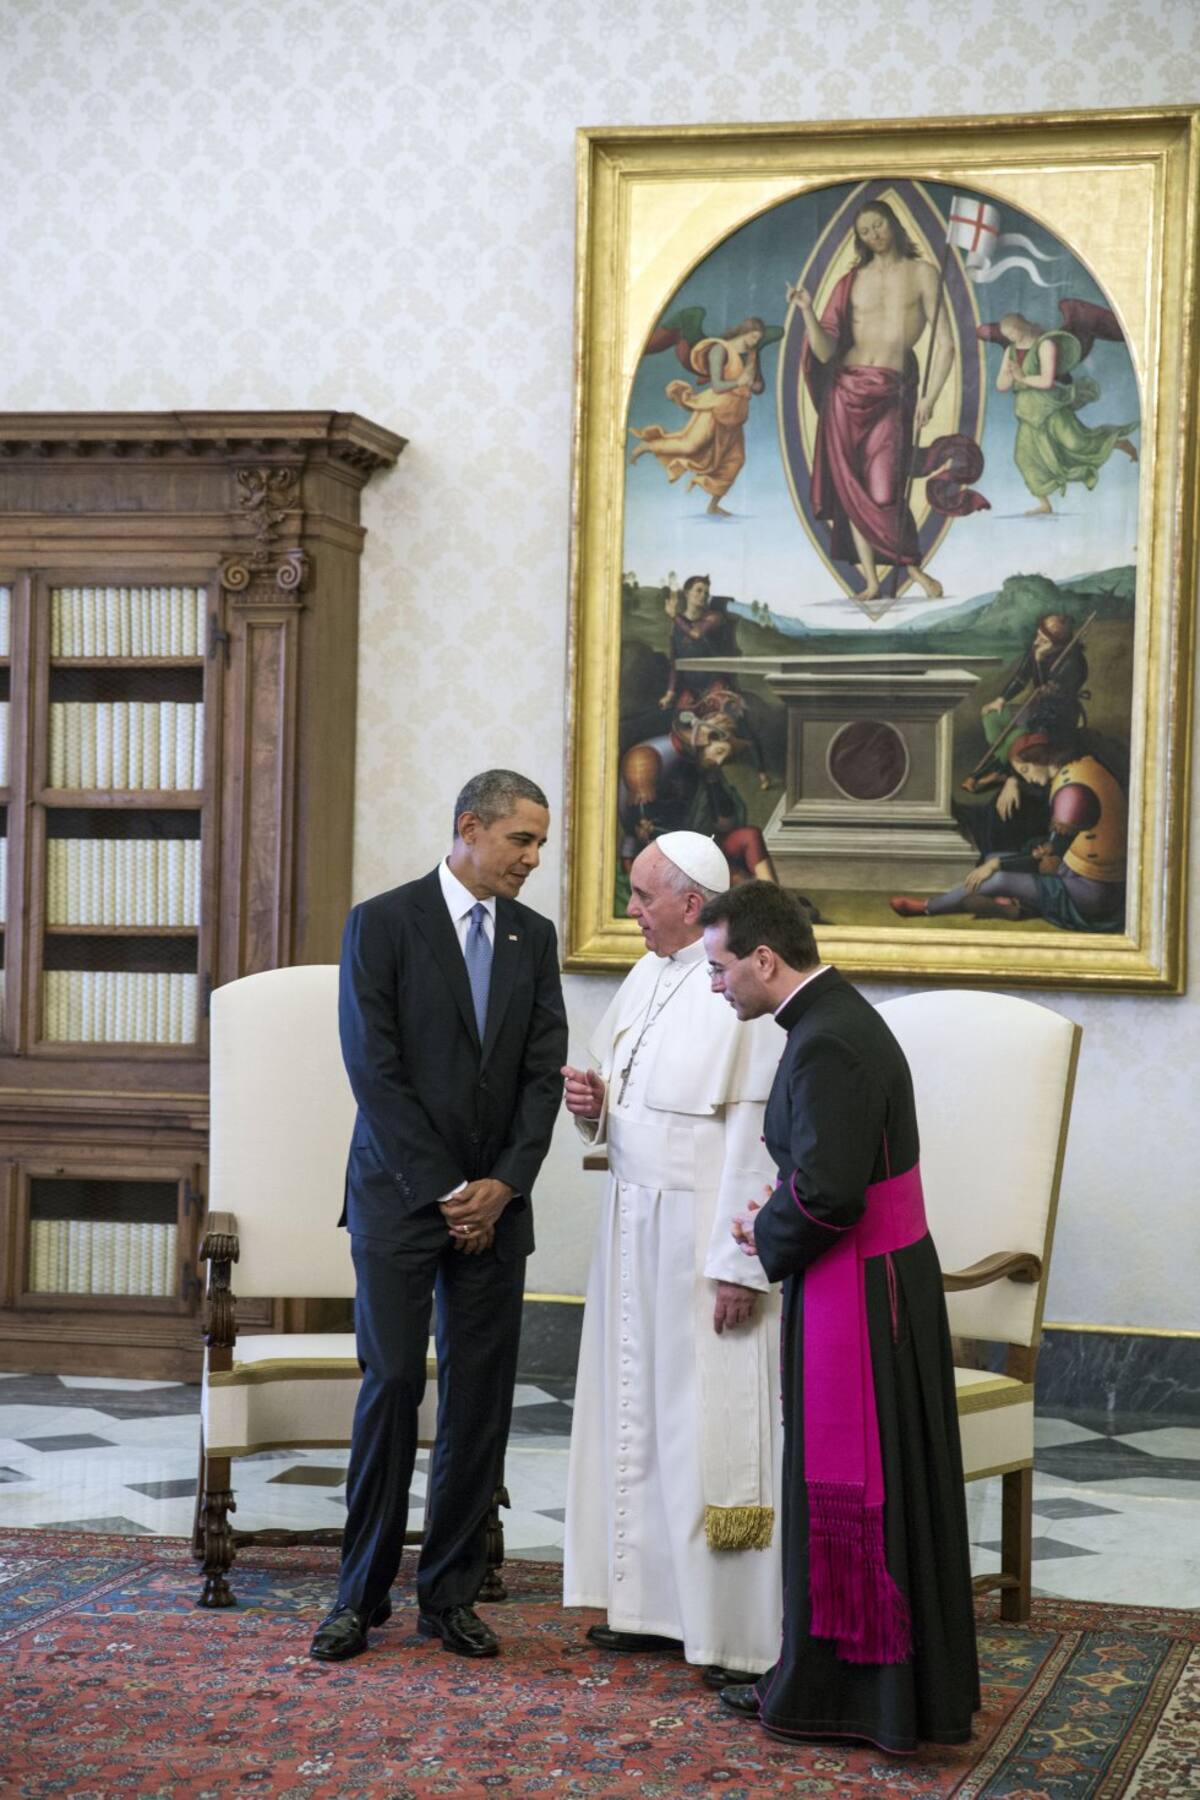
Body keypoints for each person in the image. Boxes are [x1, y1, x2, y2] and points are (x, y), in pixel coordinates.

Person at [698, 881, 978, 1752]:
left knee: (864, 1490)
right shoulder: (831, 1019)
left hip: (863, 1293)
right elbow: (829, 1176)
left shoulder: (826, 1041)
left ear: (764, 959)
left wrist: (763, 1231)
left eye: (720, 967)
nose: (715, 984)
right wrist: (782, 1212)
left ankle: (853, 1699)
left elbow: (830, 1194)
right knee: (881, 1489)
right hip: (868, 1279)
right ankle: (852, 1690)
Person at [309, 770, 568, 1662]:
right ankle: (358, 1597)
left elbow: (542, 1073)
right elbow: (373, 1069)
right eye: (521, 840)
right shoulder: (382, 922)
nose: (533, 859)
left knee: (479, 1399)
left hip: (498, 1205)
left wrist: (504, 1185)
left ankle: (450, 1597)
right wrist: (449, 1190)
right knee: (392, 1387)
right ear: (470, 827)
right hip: (398, 1197)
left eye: (540, 843)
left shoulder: (534, 937)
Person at [562, 831, 784, 1685]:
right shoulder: (646, 974)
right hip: (631, 1226)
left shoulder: (740, 990)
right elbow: (626, 1101)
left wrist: (741, 1265)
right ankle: (650, 1607)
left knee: (701, 1424)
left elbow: (755, 1143)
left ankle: (729, 1633)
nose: (631, 910)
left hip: (700, 1235)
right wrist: (592, 1106)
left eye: (642, 896)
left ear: (692, 903)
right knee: (637, 1413)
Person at [791, 201, 951, 601]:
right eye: (865, 231)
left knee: (883, 491)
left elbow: (946, 344)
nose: (874, 235)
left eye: (878, 225)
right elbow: (825, 352)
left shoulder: (922, 273)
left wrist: (931, 397)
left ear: (893, 223)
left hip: (891, 393)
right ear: (859, 239)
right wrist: (808, 312)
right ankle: (873, 582)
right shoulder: (851, 281)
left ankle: (912, 569)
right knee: (851, 488)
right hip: (844, 392)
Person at [893, 729, 1127, 932]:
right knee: (993, 858)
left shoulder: (1072, 793)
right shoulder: (1078, 766)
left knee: (998, 876)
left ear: (1040, 758)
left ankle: (928, 907)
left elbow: (1051, 854)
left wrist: (997, 866)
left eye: (1025, 770)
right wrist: (1012, 782)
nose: (1026, 778)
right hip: (1075, 869)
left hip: (1093, 893)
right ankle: (1015, 905)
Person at [995, 312, 1137, 514]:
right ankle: (1045, 504)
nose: (1010, 338)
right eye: (1007, 335)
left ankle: (1117, 442)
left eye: (1012, 333)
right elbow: (1001, 385)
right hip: (1027, 412)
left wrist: (1022, 378)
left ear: (1021, 327)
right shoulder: (1010, 351)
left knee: (1076, 442)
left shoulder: (1045, 345)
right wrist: (1009, 376)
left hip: (1050, 407)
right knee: (1024, 458)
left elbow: (1046, 381)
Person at [630, 318, 766, 514]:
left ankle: (713, 506)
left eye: (758, 339)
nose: (754, 342)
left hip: (735, 414)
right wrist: (739, 382)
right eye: (753, 337)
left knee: (735, 460)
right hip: (715, 407)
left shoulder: (752, 355)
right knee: (690, 445)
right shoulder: (720, 350)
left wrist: (754, 384)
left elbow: (759, 386)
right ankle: (648, 446)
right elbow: (717, 386)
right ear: (743, 332)